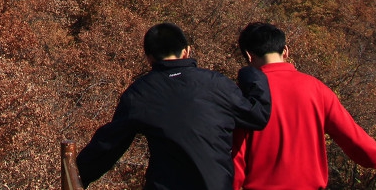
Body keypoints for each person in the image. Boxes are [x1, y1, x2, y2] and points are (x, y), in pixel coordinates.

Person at [77, 23, 272, 190]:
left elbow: (108, 145)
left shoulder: (140, 92)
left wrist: (76, 175)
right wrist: (251, 74)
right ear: (187, 50)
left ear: (149, 58)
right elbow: (257, 116)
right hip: (215, 184)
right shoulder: (217, 83)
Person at [233, 22, 376, 190]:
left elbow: (236, 157)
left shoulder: (243, 95)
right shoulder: (316, 88)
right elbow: (353, 138)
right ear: (285, 51)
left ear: (249, 56)